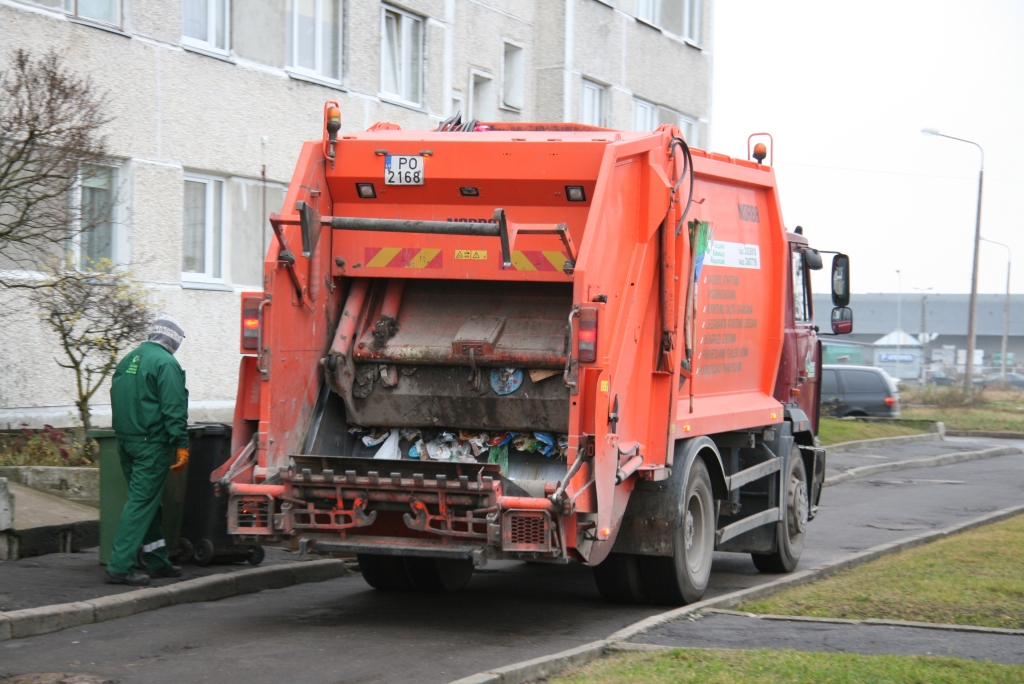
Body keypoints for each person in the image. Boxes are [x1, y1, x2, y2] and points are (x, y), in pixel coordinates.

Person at [105, 312, 190, 586]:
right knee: (141, 503)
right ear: (173, 340)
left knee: (148, 502)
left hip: (126, 442)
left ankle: (156, 560)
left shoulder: (130, 358)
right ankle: (119, 567)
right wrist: (181, 444)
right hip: (151, 445)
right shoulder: (166, 363)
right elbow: (174, 408)